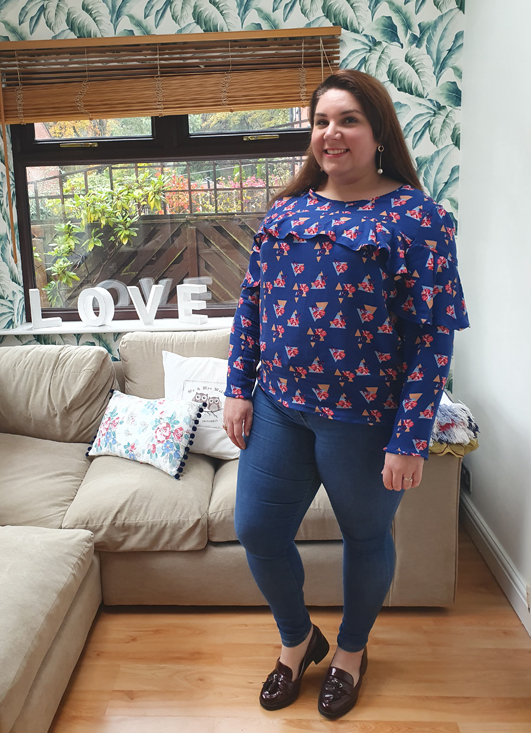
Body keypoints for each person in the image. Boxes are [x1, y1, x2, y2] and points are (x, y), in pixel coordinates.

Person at [222, 69, 469, 719]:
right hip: (279, 406)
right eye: (322, 121)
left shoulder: (418, 219)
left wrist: (410, 437)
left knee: (365, 535)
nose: (332, 133)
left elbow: (433, 339)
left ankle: (352, 653)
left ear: (378, 133)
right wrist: (237, 387)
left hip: (364, 420)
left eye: (348, 119)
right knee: (257, 530)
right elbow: (251, 304)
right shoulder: (286, 212)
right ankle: (298, 640)